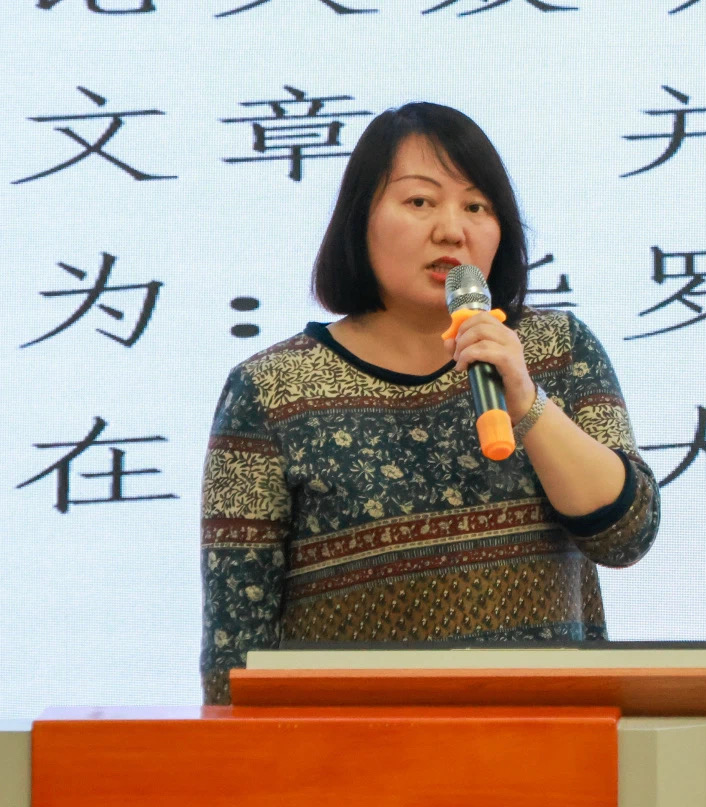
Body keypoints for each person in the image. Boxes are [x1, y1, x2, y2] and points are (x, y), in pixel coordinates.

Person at [199, 102, 660, 704]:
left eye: (477, 207)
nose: (451, 230)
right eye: (420, 201)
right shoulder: (270, 389)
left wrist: (526, 402)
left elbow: (626, 536)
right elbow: (234, 650)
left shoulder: (556, 350)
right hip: (354, 749)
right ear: (360, 219)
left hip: (546, 737)